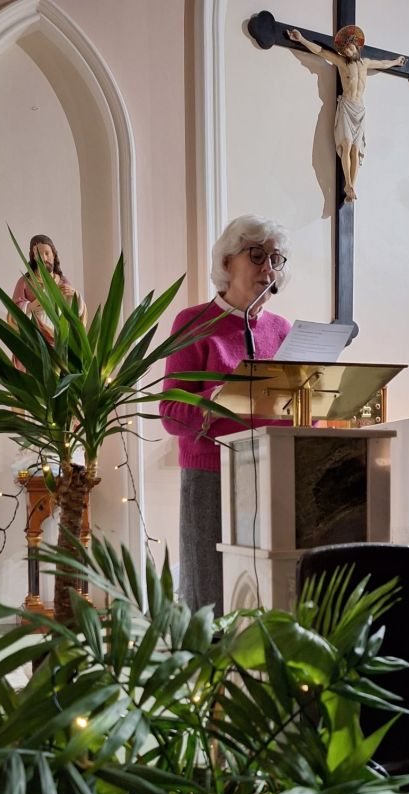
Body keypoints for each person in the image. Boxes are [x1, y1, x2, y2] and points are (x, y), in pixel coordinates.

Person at [159, 214, 291, 616]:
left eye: (275, 259)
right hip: (212, 478)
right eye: (257, 256)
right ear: (227, 262)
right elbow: (170, 414)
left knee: (271, 596)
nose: (268, 268)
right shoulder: (192, 323)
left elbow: (301, 411)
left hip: (276, 476)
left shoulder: (282, 330)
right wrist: (220, 397)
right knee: (210, 602)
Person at [287, 25, 406, 202]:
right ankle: (348, 183)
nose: (348, 52)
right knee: (347, 144)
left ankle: (352, 187)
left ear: (356, 46)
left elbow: (382, 64)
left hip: (360, 110)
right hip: (347, 106)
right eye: (345, 51)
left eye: (350, 48)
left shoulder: (366, 63)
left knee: (356, 149)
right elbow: (321, 52)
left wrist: (396, 62)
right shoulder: (342, 63)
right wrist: (301, 39)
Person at [10, 233, 87, 348]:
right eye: (39, 254)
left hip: (59, 340)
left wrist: (75, 296)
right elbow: (13, 311)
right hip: (35, 340)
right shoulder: (25, 282)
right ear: (33, 257)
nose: (44, 258)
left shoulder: (62, 281)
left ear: (54, 255)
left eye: (47, 253)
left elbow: (75, 313)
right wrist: (29, 307)